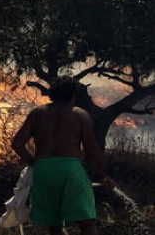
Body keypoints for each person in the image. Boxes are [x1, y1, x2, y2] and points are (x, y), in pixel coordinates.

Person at [11, 76, 116, 235]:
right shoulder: (80, 115)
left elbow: (17, 143)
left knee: (54, 224)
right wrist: (104, 176)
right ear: (73, 95)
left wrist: (33, 162)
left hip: (43, 170)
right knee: (86, 221)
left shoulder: (36, 114)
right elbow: (92, 149)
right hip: (70, 169)